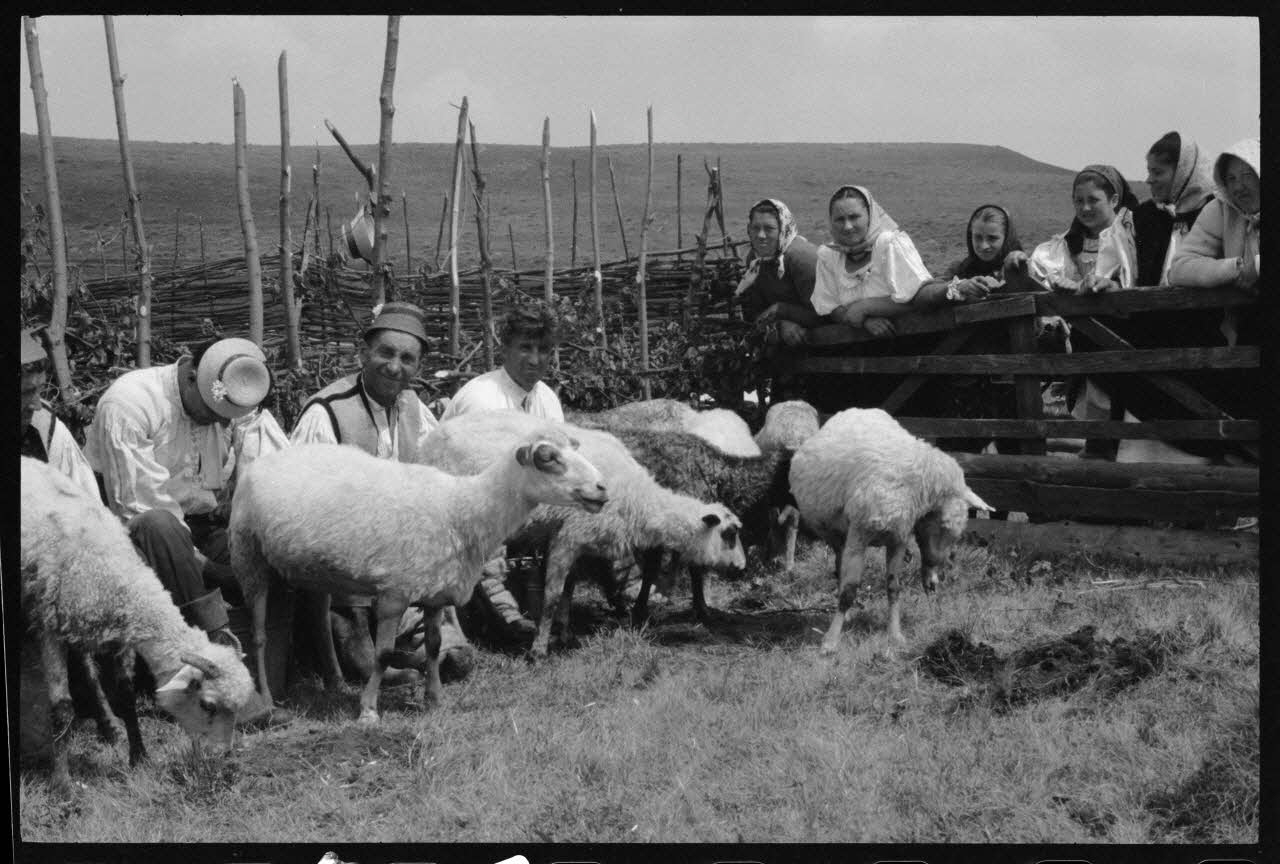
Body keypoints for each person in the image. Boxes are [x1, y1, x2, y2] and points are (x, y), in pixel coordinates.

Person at [83, 334, 284, 724]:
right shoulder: (130, 403)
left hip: (198, 529)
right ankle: (224, 674)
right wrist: (210, 568)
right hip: (130, 536)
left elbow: (230, 487)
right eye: (213, 410)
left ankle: (266, 676)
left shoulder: (228, 406)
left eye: (227, 415)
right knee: (161, 527)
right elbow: (137, 508)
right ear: (192, 373)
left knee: (269, 548)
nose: (219, 421)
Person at [290, 301, 480, 684]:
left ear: (418, 367)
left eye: (407, 359)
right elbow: (303, 507)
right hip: (341, 569)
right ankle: (351, 645)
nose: (395, 367)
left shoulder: (412, 408)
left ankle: (410, 636)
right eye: (386, 353)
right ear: (364, 354)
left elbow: (437, 475)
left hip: (398, 566)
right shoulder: (327, 412)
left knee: (458, 660)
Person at [442, 303, 567, 631]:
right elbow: (475, 484)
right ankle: (500, 608)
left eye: (543, 350)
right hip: (465, 504)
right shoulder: (482, 399)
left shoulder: (546, 398)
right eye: (525, 348)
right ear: (505, 349)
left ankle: (623, 590)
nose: (535, 360)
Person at [731, 198, 822, 404]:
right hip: (786, 346)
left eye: (769, 228)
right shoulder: (756, 260)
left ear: (783, 229)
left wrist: (780, 310)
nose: (761, 235)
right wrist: (780, 322)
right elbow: (756, 312)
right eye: (755, 228)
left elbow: (825, 314)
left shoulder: (802, 259)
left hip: (824, 345)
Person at [811, 185, 932, 335]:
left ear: (870, 216)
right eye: (840, 220)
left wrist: (866, 307)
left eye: (854, 217)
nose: (847, 226)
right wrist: (865, 321)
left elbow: (917, 298)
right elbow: (830, 306)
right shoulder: (829, 256)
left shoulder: (889, 244)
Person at [1007, 164, 1140, 295]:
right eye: (1079, 201)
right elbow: (1037, 282)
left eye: (1093, 200)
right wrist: (1022, 266)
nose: (1085, 208)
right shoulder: (1062, 247)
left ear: (1114, 200)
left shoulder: (1130, 240)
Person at [1169, 137, 1260, 296]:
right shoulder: (1221, 209)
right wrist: (1236, 268)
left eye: (1247, 175)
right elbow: (1179, 268)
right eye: (1231, 179)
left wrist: (1257, 266)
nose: (1238, 187)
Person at [20, 327, 98, 497]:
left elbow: (84, 499)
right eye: (26, 393)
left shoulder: (44, 425)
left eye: (40, 389)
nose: (37, 406)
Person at [1133, 131, 1217, 288]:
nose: (1149, 180)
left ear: (1183, 172)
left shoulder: (1217, 213)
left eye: (1158, 172)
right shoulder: (1143, 216)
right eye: (1149, 171)